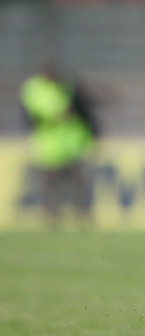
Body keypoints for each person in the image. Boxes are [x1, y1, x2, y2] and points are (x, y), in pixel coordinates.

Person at [19, 60, 99, 226]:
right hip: (49, 148)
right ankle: (51, 217)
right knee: (50, 186)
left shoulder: (65, 87)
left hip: (70, 147)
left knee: (78, 184)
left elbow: (82, 108)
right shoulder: (35, 89)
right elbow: (37, 114)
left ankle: (81, 216)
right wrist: (61, 114)